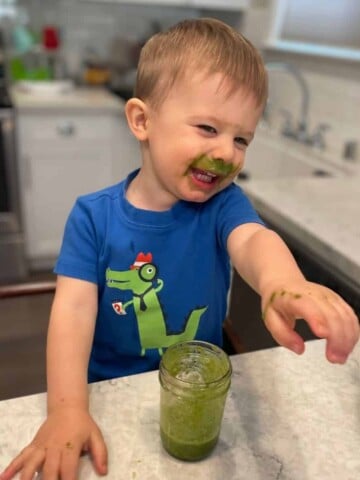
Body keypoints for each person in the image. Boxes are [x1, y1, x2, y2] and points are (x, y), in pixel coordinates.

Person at [1, 17, 358, 480]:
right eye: (208, 128)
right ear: (142, 120)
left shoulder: (222, 204)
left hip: (196, 386)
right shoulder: (92, 217)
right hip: (112, 387)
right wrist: (67, 410)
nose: (227, 152)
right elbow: (71, 314)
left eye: (241, 138)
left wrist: (283, 283)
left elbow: (254, 240)